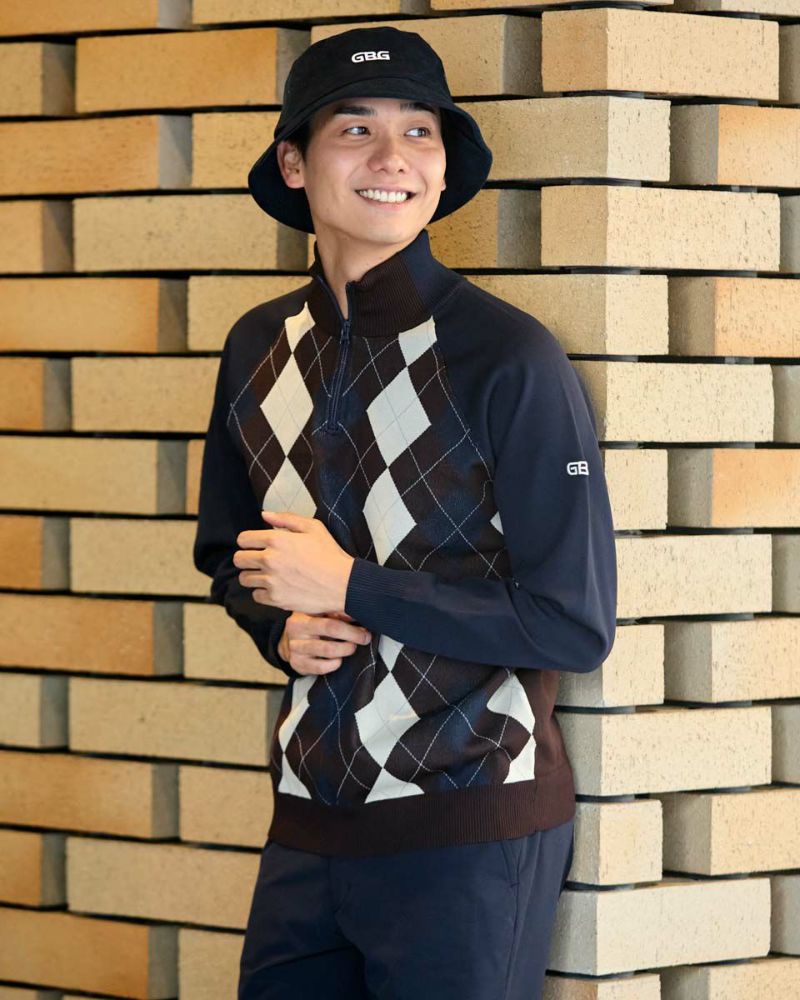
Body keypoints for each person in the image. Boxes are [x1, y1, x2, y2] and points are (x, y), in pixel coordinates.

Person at [192, 24, 618, 1000]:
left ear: (443, 165)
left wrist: (349, 585)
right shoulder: (256, 346)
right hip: (307, 821)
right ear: (294, 163)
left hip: (468, 829)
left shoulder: (507, 357)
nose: (393, 157)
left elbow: (571, 623)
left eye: (419, 131)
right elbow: (228, 550)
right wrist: (278, 625)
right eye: (356, 129)